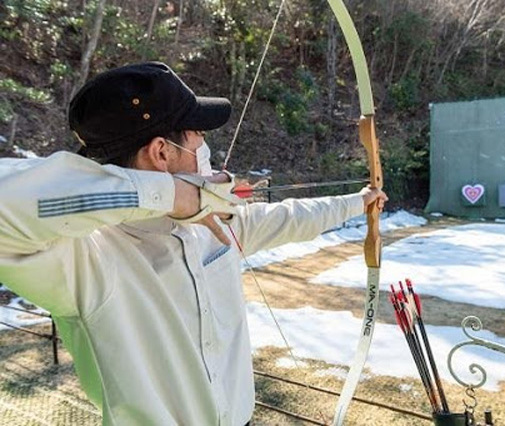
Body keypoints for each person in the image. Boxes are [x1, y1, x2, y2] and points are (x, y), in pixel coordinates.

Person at [0, 62, 387, 425]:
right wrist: (170, 195)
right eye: (198, 133)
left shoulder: (211, 223)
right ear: (161, 152)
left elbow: (288, 219)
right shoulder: (83, 257)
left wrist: (358, 203)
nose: (205, 146)